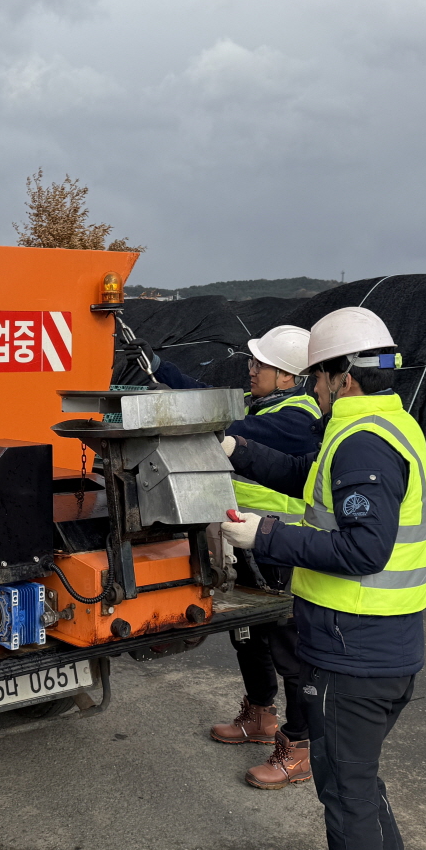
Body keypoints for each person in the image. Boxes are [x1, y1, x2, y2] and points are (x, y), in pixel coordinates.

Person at [218, 306, 426, 850]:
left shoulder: (362, 441)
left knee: (342, 788)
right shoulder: (382, 426)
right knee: (360, 781)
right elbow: (310, 480)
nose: (310, 389)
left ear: (341, 375)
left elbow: (362, 547)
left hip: (355, 647)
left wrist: (265, 537)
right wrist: (234, 450)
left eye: (315, 377)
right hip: (385, 644)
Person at [149, 328, 322, 789]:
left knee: (288, 644)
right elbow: (210, 399)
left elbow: (230, 426)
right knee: (247, 633)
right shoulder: (260, 403)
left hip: (280, 544)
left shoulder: (295, 416)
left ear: (288, 376)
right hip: (246, 538)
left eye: (260, 365)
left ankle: (300, 744)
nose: (251, 370)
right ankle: (260, 714)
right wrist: (161, 370)